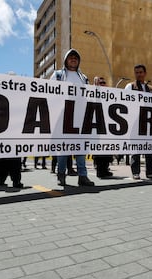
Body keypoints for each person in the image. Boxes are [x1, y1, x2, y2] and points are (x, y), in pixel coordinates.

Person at [51, 49, 94, 186]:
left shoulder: (83, 77)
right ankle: (61, 174)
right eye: (71, 57)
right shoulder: (58, 75)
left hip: (80, 117)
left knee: (81, 148)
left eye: (76, 57)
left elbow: (89, 96)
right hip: (63, 117)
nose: (73, 59)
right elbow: (49, 92)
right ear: (66, 60)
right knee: (63, 148)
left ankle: (82, 176)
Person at [125, 64, 152, 180]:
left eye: (141, 72)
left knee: (150, 147)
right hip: (135, 123)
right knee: (135, 148)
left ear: (145, 73)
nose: (139, 74)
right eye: (137, 72)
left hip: (149, 123)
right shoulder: (130, 87)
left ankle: (151, 172)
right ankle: (135, 172)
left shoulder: (151, 89)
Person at [92, 77, 113, 178]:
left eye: (104, 83)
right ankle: (100, 170)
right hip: (97, 127)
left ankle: (105, 169)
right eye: (100, 83)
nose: (102, 84)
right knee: (99, 151)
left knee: (107, 151)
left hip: (108, 128)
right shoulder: (93, 94)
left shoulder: (110, 95)